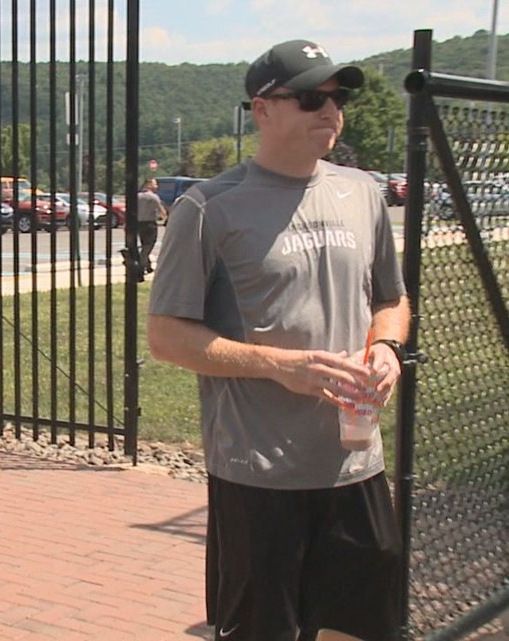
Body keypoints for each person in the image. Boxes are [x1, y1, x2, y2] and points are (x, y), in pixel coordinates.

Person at [147, 40, 411, 641]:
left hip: (355, 464)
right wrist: (275, 365)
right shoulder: (209, 208)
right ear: (262, 108)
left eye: (338, 97)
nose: (331, 110)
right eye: (313, 97)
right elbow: (166, 336)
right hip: (260, 476)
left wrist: (387, 348)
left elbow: (391, 300)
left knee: (367, 628)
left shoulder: (361, 192)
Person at [135, 178, 167, 273]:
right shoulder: (153, 197)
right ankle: (140, 266)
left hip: (139, 223)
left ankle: (148, 266)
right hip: (150, 224)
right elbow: (162, 211)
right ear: (148, 185)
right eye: (154, 184)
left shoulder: (137, 196)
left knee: (144, 244)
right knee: (148, 246)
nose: (156, 186)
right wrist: (166, 220)